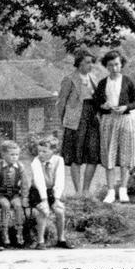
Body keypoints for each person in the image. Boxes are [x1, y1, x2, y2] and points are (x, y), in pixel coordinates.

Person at [93, 50, 135, 203]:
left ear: (122, 65)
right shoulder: (102, 83)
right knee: (109, 156)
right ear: (106, 66)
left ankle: (123, 190)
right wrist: (103, 106)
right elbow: (96, 104)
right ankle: (111, 192)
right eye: (111, 65)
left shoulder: (127, 81)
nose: (114, 68)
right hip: (108, 121)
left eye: (117, 64)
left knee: (125, 155)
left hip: (124, 120)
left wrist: (126, 107)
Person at [56, 48, 100, 195]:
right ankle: (78, 191)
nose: (90, 65)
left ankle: (86, 189)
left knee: (93, 155)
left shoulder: (94, 77)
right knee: (76, 155)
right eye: (87, 62)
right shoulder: (69, 79)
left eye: (91, 62)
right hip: (75, 120)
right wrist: (63, 121)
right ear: (79, 63)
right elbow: (61, 102)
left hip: (92, 118)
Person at [30, 135, 74, 250]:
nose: (41, 154)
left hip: (52, 191)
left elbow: (60, 180)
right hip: (38, 191)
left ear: (53, 151)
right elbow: (39, 181)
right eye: (39, 151)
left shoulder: (59, 160)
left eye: (44, 151)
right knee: (44, 211)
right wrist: (44, 200)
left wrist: (57, 199)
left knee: (59, 210)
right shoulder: (36, 161)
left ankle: (61, 239)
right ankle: (40, 241)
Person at [0, 140, 30, 247]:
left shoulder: (20, 167)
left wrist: (24, 197)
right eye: (12, 154)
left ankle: (19, 233)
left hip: (14, 194)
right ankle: (4, 232)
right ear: (3, 154)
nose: (15, 157)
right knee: (5, 205)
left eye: (17, 154)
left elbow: (25, 183)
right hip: (2, 194)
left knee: (18, 205)